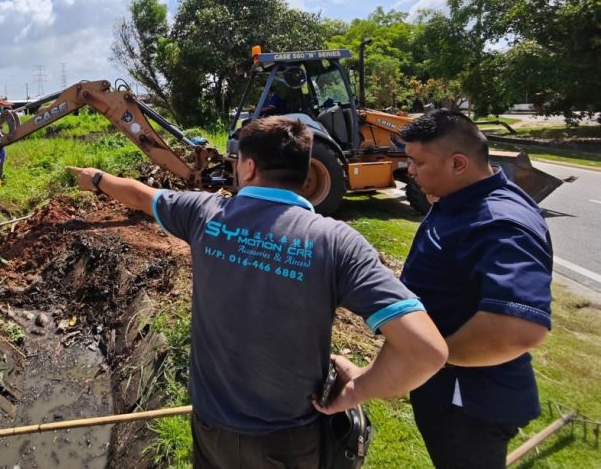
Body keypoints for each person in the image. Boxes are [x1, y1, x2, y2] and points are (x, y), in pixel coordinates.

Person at [68, 116, 447, 469]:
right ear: (303, 171)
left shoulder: (204, 214)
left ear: (248, 167)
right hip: (290, 440)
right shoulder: (337, 243)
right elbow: (425, 350)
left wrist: (96, 178)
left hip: (212, 428)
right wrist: (359, 388)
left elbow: (139, 195)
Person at [399, 109, 553, 469]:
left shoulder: (499, 223)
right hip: (450, 390)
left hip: (469, 401)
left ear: (457, 163)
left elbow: (515, 327)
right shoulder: (463, 199)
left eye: (417, 162)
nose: (410, 171)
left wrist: (432, 355)